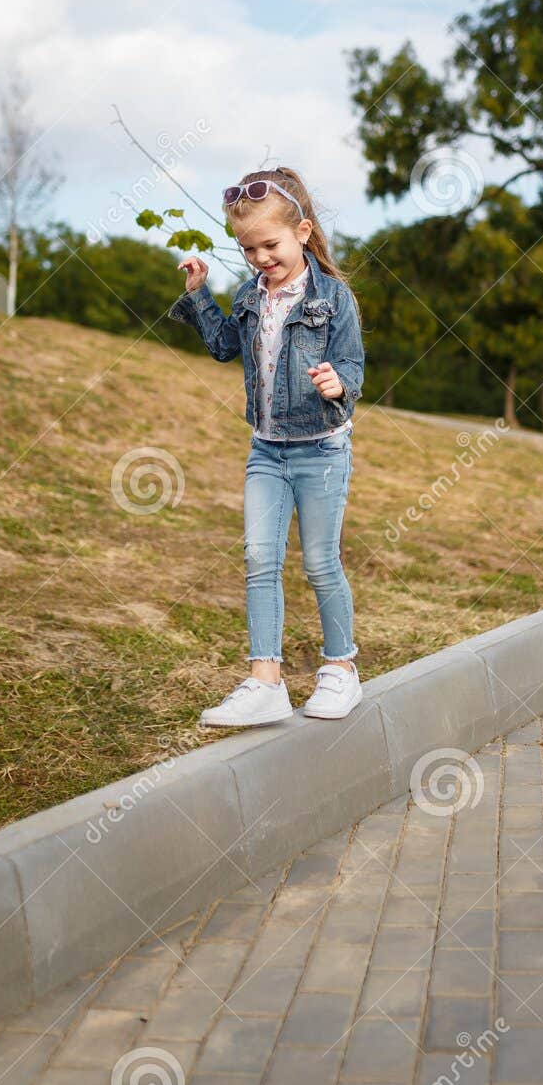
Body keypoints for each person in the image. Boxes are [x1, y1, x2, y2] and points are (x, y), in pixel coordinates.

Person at [168, 168, 365, 727]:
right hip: (267, 451)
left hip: (322, 450)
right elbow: (225, 347)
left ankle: (341, 670)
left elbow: (353, 365)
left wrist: (339, 385)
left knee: (322, 562)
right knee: (260, 559)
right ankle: (266, 681)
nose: (260, 257)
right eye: (248, 248)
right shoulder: (249, 295)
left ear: (302, 232)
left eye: (270, 245)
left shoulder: (334, 297)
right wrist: (198, 295)